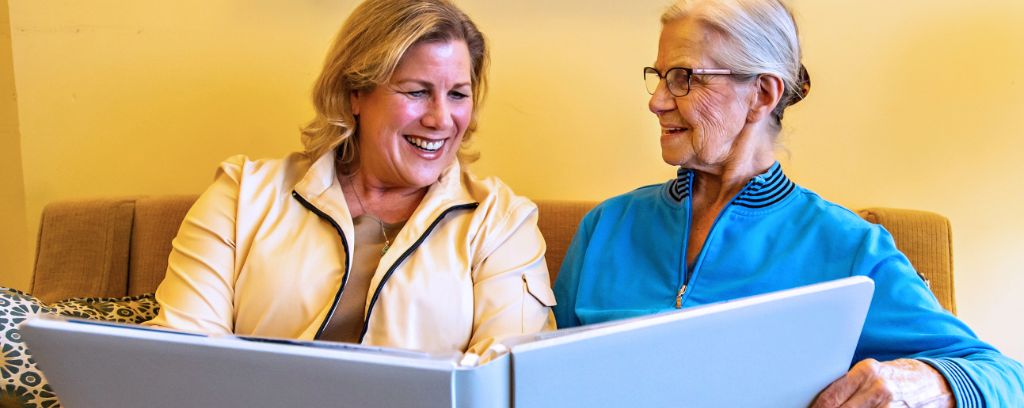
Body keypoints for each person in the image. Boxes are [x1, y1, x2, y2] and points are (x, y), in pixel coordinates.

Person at [552, 0, 1024, 406]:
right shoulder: (606, 228)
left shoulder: (849, 248)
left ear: (762, 93)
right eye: (659, 76)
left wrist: (925, 383)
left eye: (684, 78)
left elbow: (1004, 378)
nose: (656, 101)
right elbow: (545, 377)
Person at [146, 0, 555, 364]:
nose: (441, 119)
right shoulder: (241, 197)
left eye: (458, 95)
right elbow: (181, 361)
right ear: (355, 93)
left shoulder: (502, 223)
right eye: (417, 91)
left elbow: (510, 383)